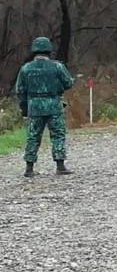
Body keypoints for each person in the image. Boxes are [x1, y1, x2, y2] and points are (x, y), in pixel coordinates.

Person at [15, 37, 75, 177]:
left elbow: (20, 91)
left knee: (33, 136)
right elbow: (68, 83)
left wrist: (24, 109)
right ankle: (60, 165)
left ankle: (29, 168)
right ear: (49, 50)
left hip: (34, 106)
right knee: (58, 134)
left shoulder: (26, 69)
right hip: (54, 104)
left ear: (34, 50)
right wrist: (57, 87)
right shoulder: (57, 67)